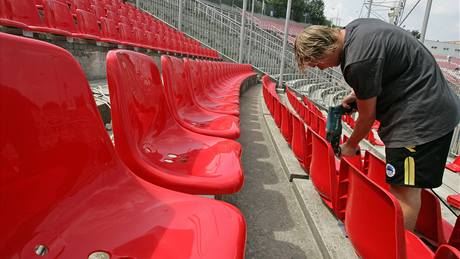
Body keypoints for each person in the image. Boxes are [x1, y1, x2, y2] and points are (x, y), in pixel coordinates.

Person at [294, 18, 460, 231]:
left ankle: (395, 248)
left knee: (404, 191)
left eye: (318, 63)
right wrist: (358, 94)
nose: (322, 69)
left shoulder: (356, 61)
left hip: (421, 120)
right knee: (403, 187)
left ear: (325, 49)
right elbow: (388, 67)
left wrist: (351, 144)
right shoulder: (356, 29)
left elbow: (367, 117)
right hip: (424, 109)